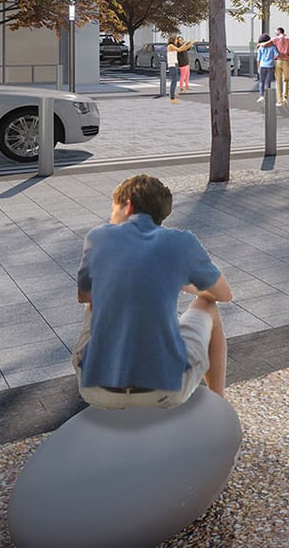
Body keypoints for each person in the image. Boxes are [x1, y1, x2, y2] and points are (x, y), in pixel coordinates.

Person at [72, 173, 232, 408]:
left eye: (113, 208)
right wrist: (174, 279)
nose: (111, 215)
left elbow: (83, 295)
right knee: (208, 306)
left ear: (128, 206)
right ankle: (219, 404)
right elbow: (224, 294)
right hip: (164, 391)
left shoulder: (98, 237)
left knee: (97, 298)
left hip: (95, 390)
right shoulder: (180, 241)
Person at [272, 27, 289, 106]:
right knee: (285, 80)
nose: (275, 32)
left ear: (279, 31)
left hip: (278, 61)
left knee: (278, 81)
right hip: (286, 61)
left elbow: (270, 49)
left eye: (276, 31)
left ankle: (279, 101)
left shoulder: (274, 39)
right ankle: (285, 98)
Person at [166, 35, 191, 104]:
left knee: (174, 80)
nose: (177, 41)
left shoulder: (173, 46)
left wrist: (188, 44)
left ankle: (173, 93)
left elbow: (182, 49)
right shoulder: (170, 46)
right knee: (174, 81)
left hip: (174, 65)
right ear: (173, 40)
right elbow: (179, 50)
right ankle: (172, 98)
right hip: (172, 65)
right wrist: (186, 43)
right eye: (176, 39)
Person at [255, 33, 276, 102]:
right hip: (270, 66)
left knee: (261, 82)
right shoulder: (273, 47)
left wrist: (258, 68)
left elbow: (258, 59)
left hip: (262, 66)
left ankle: (261, 96)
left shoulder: (261, 48)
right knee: (268, 83)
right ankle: (267, 97)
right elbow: (277, 55)